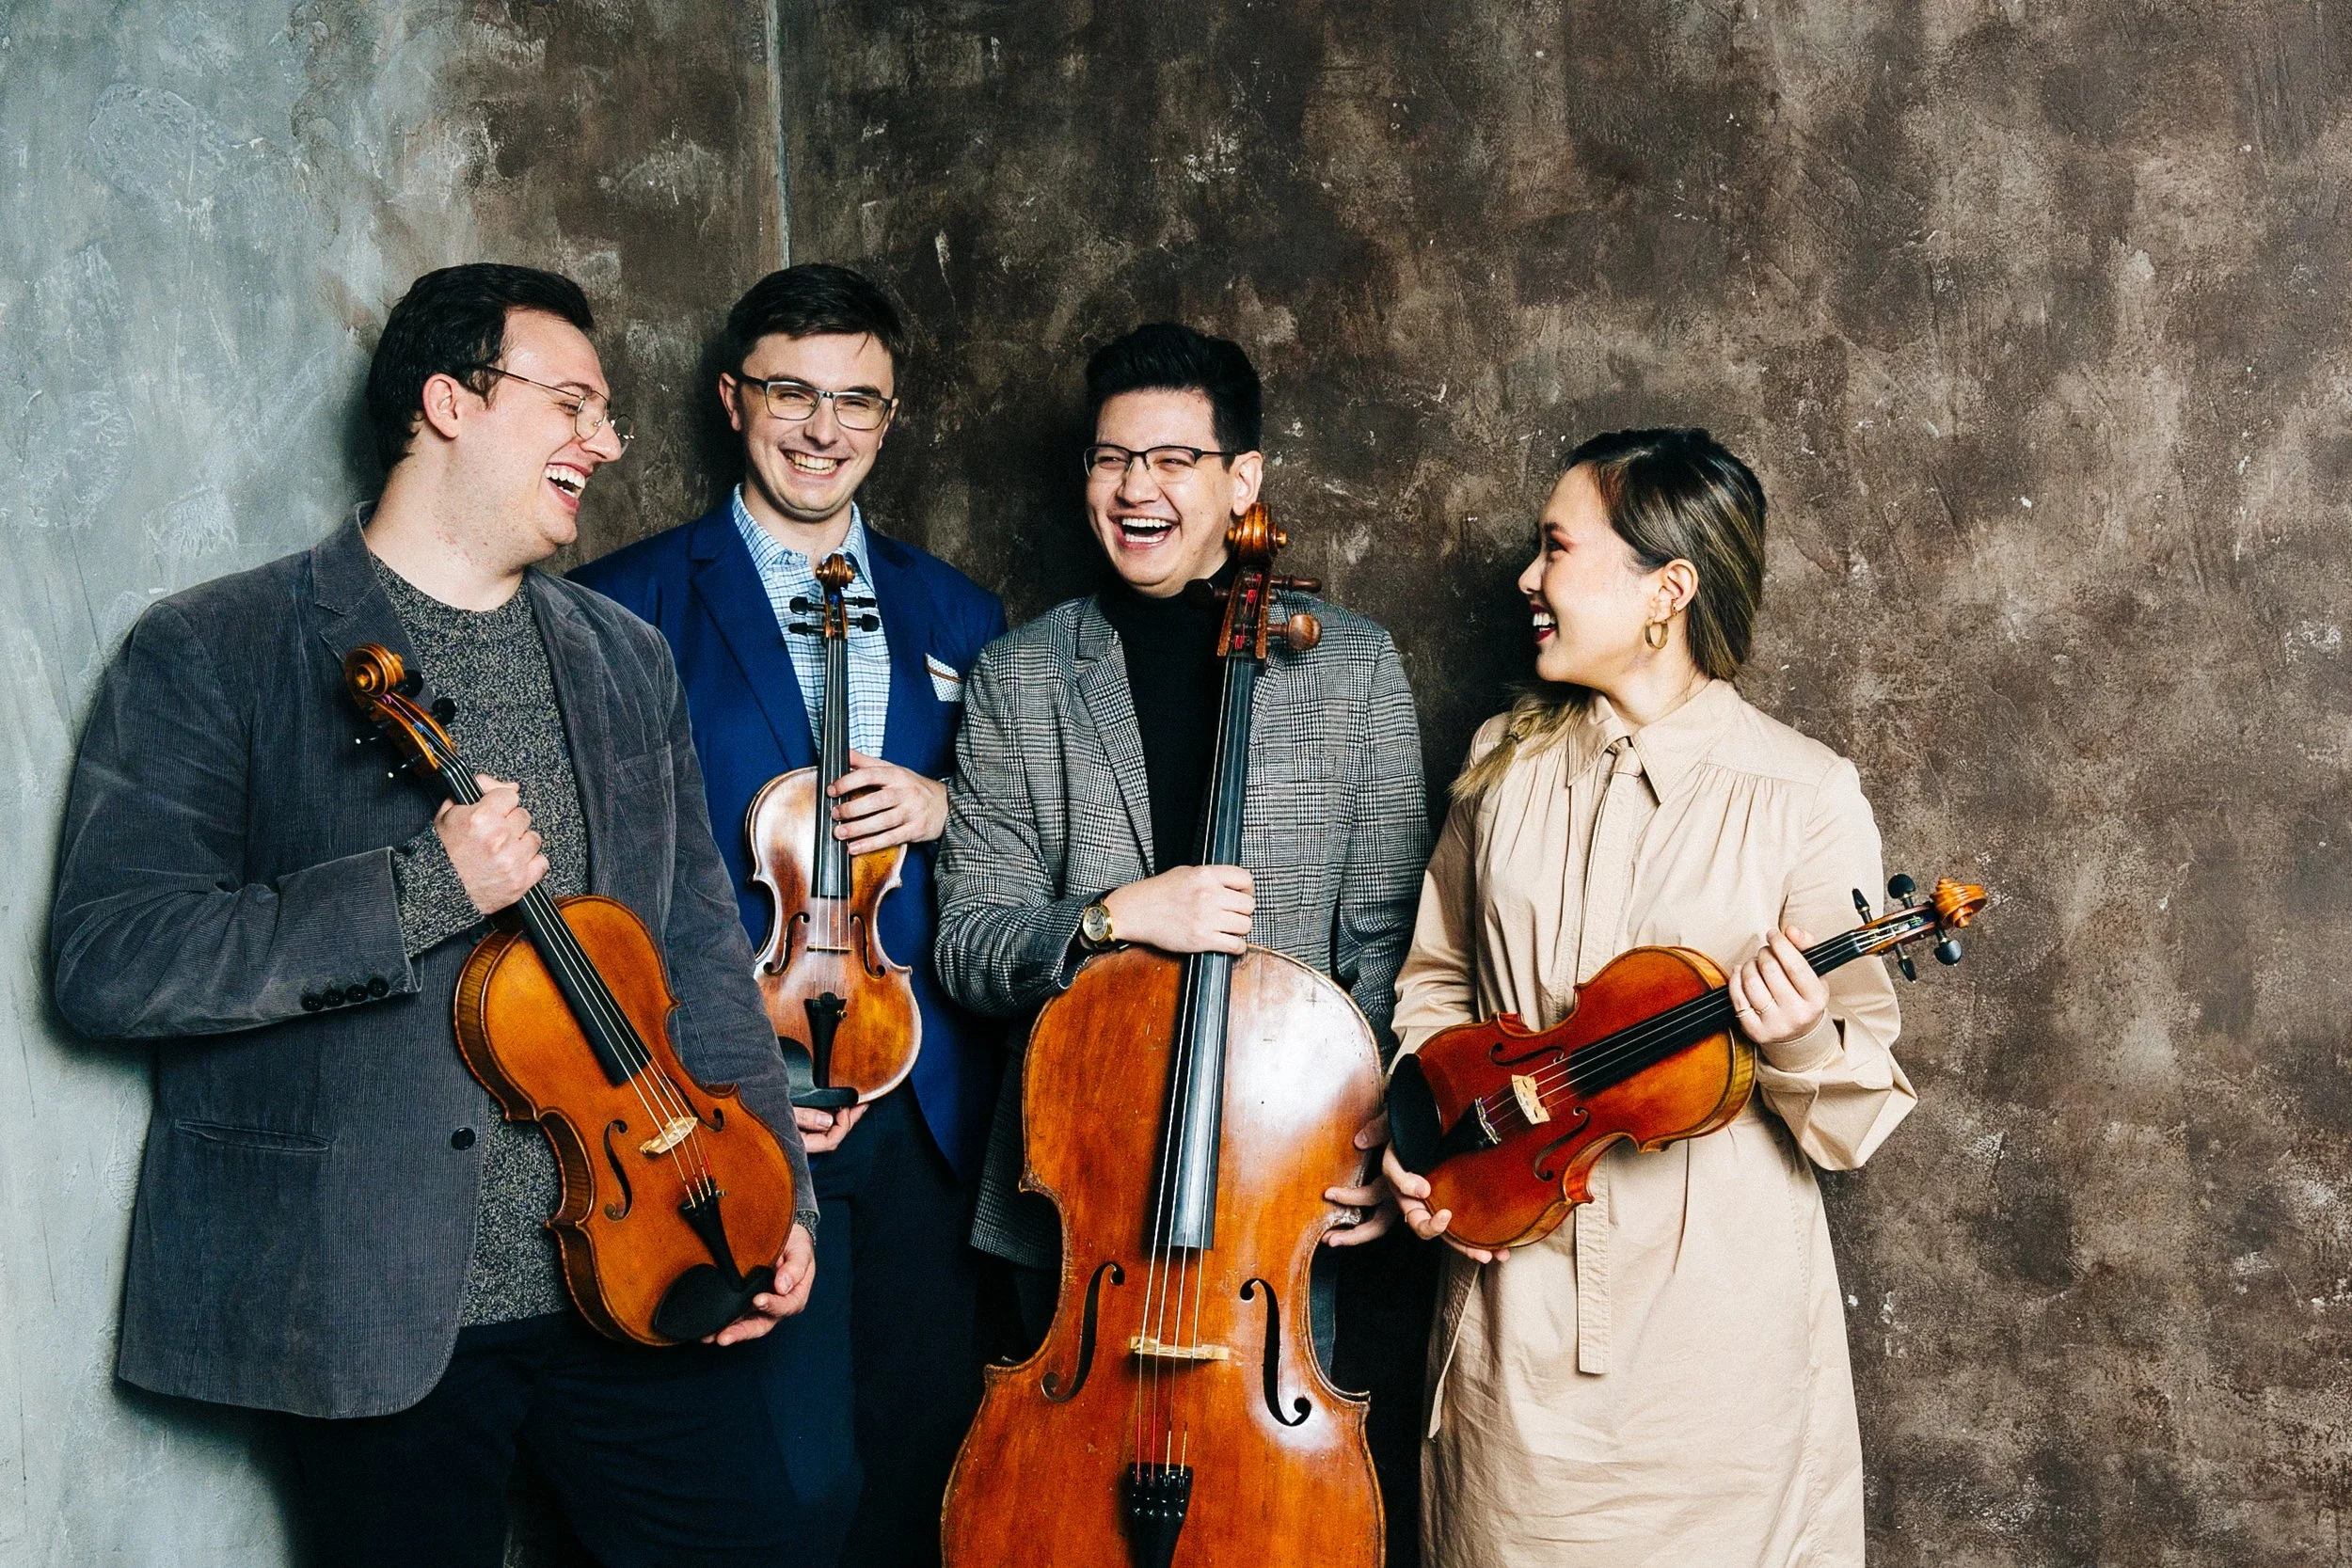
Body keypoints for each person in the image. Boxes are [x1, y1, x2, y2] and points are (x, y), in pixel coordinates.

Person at [49, 263, 817, 1568]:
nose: (607, 442)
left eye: (607, 413)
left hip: (649, 1264)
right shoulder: (215, 646)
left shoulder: (623, 657)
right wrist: (418, 890)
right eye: (573, 404)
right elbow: (111, 958)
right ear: (450, 402)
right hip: (375, 1294)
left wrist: (776, 1195)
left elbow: (694, 948)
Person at [1379, 427, 1918, 1567]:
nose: (1526, 577)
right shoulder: (1501, 763)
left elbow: (1856, 1108)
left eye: (1556, 547)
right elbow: (1437, 986)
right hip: (1516, 1321)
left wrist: (1800, 1035)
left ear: (1666, 589)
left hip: (1714, 1351)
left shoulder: (1805, 792)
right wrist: (1430, 1151)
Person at [572, 263, 1006, 1568]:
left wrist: (946, 804)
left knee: (925, 1457)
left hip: (926, 1105)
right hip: (734, 1101)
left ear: (890, 415)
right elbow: (600, 882)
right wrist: (728, 1073)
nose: (824, 429)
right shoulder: (620, 603)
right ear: (732, 398)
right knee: (786, 1481)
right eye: (790, 393)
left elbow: (1030, 835)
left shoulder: (959, 611)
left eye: (857, 400)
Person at [932, 321, 1430, 1354]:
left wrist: (1381, 1138)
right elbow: (970, 947)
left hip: (1279, 1188)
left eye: (1171, 459)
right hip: (1075, 1189)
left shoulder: (1353, 668)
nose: (1133, 488)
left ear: (1242, 480)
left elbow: (1389, 944)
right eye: (1111, 458)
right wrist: (1112, 917)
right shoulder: (1020, 677)